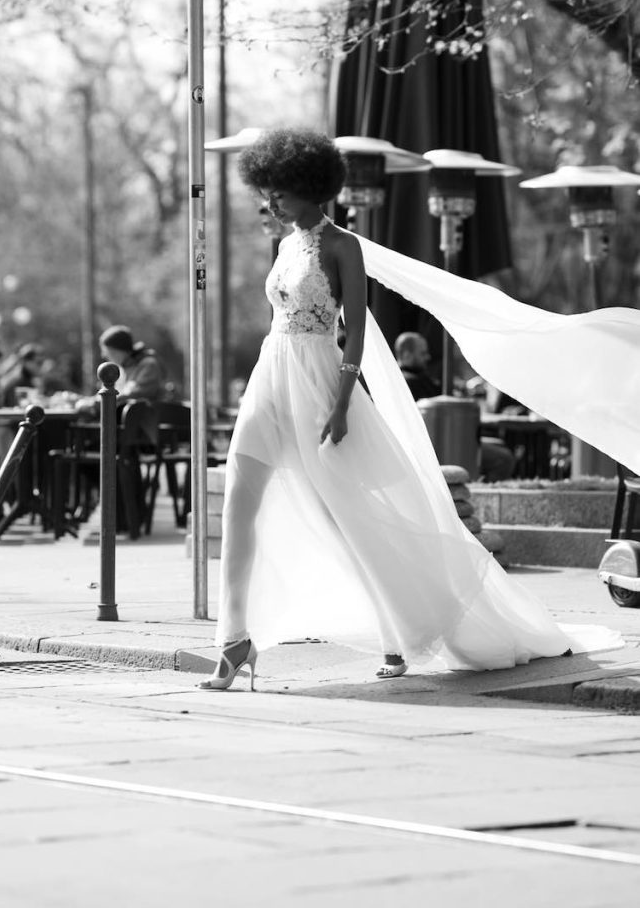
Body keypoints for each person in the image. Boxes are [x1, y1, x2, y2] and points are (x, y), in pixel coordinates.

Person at [200, 128, 620, 692]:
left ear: (310, 186)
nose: (270, 203)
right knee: (238, 504)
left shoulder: (342, 246)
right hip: (269, 376)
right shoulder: (285, 246)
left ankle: (395, 632)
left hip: (319, 384)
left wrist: (344, 403)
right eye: (267, 192)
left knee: (349, 518)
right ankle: (233, 641)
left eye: (280, 192)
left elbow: (354, 335)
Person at [394, 331, 515, 483]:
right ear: (406, 354)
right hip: (436, 445)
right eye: (423, 353)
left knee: (498, 444)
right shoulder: (406, 382)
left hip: (442, 440)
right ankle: (478, 491)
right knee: (503, 458)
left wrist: (465, 390)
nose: (428, 357)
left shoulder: (416, 378)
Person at [76, 326, 165, 414]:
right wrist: (85, 400)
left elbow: (134, 394)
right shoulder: (121, 368)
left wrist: (95, 403)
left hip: (143, 422)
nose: (104, 355)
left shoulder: (148, 365)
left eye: (107, 351)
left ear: (118, 350)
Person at [0, 343, 44, 407]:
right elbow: (15, 408)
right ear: (26, 362)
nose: (41, 366)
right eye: (38, 363)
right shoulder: (17, 380)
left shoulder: (28, 379)